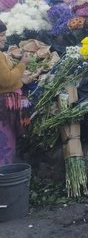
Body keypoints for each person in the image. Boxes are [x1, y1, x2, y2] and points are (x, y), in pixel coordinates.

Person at [0, 20, 31, 165]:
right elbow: (6, 81)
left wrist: (20, 78)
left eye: (4, 35)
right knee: (5, 142)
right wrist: (23, 64)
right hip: (3, 108)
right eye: (1, 35)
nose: (4, 38)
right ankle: (5, 177)